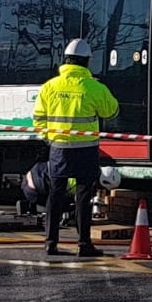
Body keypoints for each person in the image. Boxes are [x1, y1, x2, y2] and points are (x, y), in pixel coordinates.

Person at [31, 38, 119, 257]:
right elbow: (112, 111)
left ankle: (50, 242)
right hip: (86, 151)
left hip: (59, 149)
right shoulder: (93, 87)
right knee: (83, 196)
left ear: (66, 61)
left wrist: (49, 138)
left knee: (55, 194)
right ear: (87, 62)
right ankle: (83, 244)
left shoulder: (50, 86)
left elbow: (38, 119)